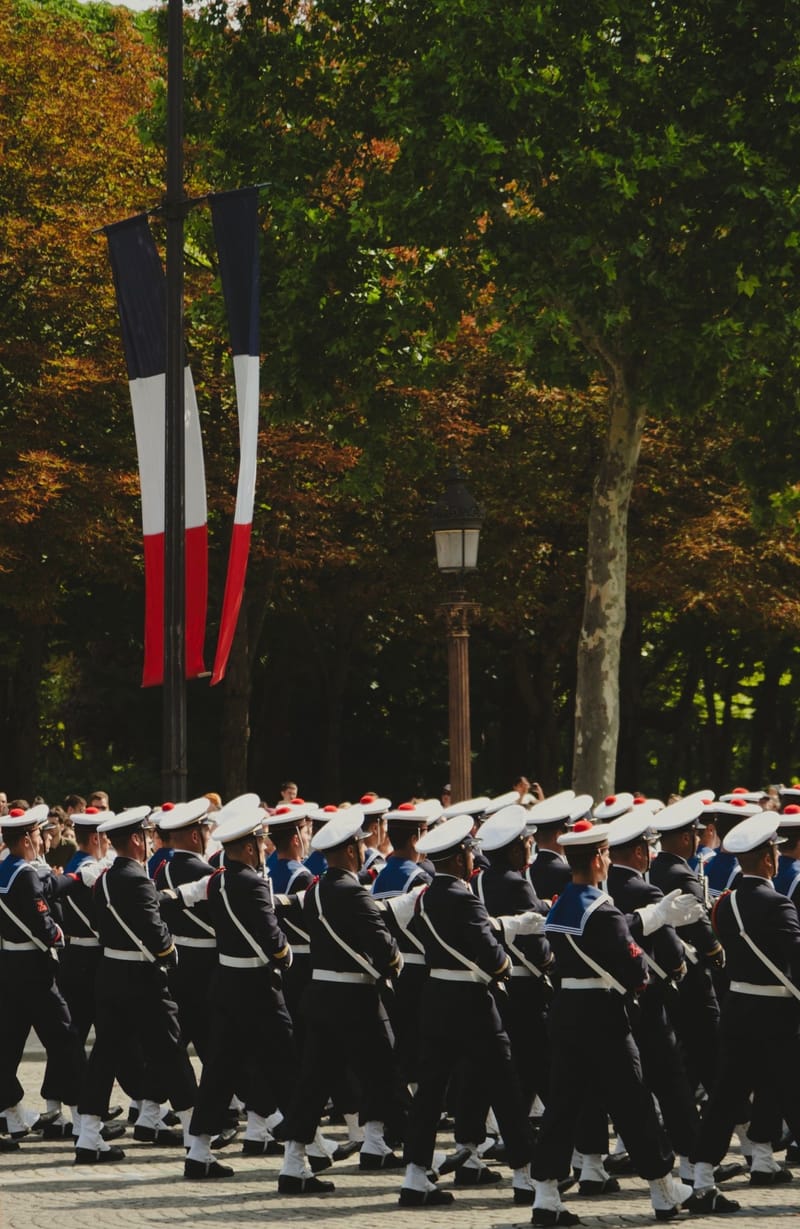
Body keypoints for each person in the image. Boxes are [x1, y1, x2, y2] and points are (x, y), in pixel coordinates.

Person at [531, 819, 704, 1227]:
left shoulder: (561, 904)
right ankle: (663, 1189)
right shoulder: (602, 908)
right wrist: (654, 921)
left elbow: (602, 933)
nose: (609, 859)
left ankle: (545, 1194)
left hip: (567, 1012)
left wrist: (648, 918)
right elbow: (636, 971)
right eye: (606, 853)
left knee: (563, 1105)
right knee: (635, 1104)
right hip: (603, 1019)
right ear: (596, 858)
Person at [279, 809, 404, 1193]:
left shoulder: (315, 890)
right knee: (387, 1073)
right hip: (357, 999)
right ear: (352, 850)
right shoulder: (353, 892)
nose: (365, 849)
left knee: (313, 1083)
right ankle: (419, 1155)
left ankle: (295, 1162)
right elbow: (384, 952)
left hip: (321, 997)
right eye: (362, 844)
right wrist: (394, 960)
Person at [75, 807, 197, 1164]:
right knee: (173, 1051)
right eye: (144, 836)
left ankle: (88, 1134)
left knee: (104, 1056)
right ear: (135, 839)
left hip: (111, 975)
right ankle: (196, 1132)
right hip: (143, 981)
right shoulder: (138, 880)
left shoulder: (107, 878)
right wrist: (171, 950)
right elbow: (157, 937)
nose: (147, 842)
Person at [691, 812, 800, 1205]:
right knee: (794, 1093)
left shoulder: (724, 904)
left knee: (725, 1098)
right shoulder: (779, 906)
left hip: (738, 1009)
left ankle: (702, 1179)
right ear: (770, 858)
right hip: (777, 1016)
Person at [187, 801, 296, 1179]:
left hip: (226, 986)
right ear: (249, 847)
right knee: (286, 1065)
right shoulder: (253, 883)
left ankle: (198, 1151)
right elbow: (273, 940)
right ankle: (304, 1151)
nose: (265, 848)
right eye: (261, 843)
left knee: (218, 1072)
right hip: (258, 988)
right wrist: (286, 955)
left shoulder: (217, 880)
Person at [0, 805, 87, 1142]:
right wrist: (57, 935)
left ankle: (9, 1115)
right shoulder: (25, 874)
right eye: (37, 833)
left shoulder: (7, 870)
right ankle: (84, 1118)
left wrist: (71, 878)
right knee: (66, 1039)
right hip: (35, 971)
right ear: (25, 839)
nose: (41, 837)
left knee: (7, 1044)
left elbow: (46, 885)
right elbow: (44, 923)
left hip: (9, 966)